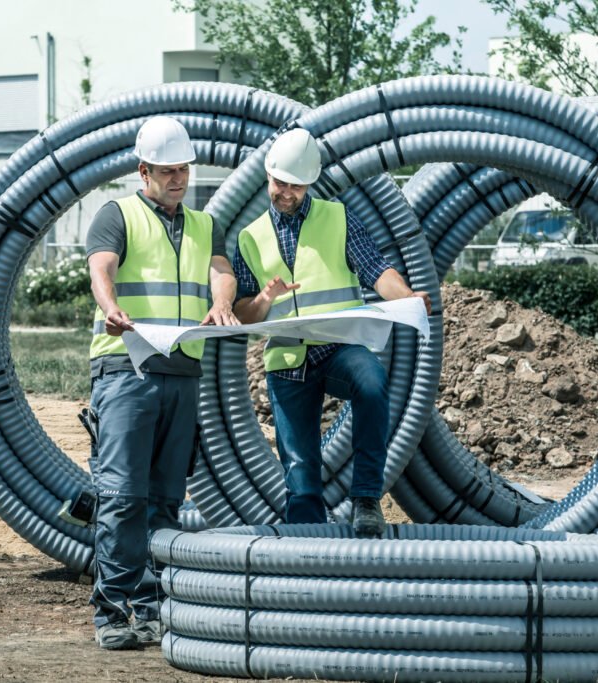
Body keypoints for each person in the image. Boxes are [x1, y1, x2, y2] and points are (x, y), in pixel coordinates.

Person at [84, 116, 238, 650]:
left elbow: (222, 270)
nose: (179, 179)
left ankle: (150, 607)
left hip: (181, 372)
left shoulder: (203, 224)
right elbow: (100, 267)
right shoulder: (116, 215)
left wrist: (223, 301)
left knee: (165, 498)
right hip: (126, 370)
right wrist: (111, 309)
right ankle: (111, 610)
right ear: (143, 171)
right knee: (122, 495)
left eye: (185, 169)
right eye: (169, 170)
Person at [232, 128, 432, 537]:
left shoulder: (338, 218)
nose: (286, 192)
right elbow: (244, 314)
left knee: (372, 381)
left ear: (309, 183)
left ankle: (366, 499)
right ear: (267, 176)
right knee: (300, 471)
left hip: (340, 346)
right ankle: (309, 557)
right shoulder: (250, 238)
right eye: (279, 183)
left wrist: (408, 297)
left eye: (296, 185)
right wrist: (264, 299)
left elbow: (377, 272)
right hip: (288, 359)